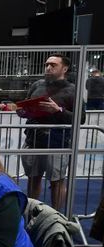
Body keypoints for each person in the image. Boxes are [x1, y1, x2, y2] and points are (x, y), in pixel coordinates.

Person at [19, 54, 85, 210]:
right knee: (33, 178)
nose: (48, 67)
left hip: (58, 142)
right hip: (33, 140)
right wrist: (23, 111)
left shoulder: (72, 90)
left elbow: (80, 118)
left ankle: (57, 215)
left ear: (65, 68)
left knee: (57, 180)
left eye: (53, 65)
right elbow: (26, 106)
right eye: (47, 64)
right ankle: (31, 212)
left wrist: (58, 110)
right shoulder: (37, 85)